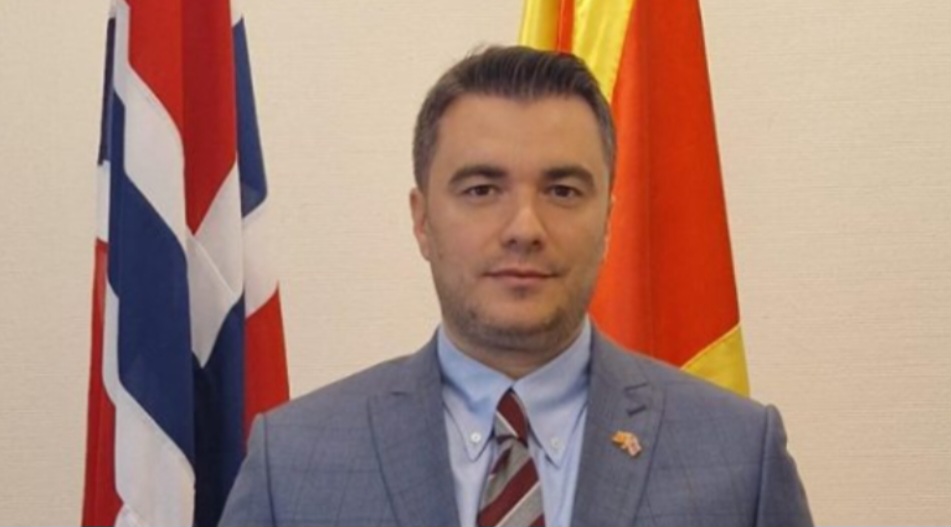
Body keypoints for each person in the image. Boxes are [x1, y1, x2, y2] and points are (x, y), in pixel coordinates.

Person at [219, 46, 812, 527]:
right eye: (481, 190)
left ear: (608, 221)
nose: (525, 228)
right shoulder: (294, 462)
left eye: (562, 191)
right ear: (422, 221)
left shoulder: (739, 455)